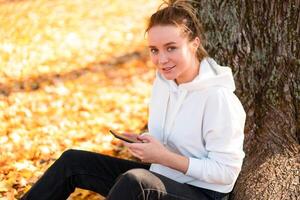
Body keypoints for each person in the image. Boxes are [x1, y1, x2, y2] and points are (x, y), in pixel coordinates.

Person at [21, 0, 246, 199]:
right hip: (162, 176)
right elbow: (175, 140)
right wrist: (145, 142)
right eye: (154, 50)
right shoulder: (164, 83)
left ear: (194, 43)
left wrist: (163, 157)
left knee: (136, 183)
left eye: (171, 48)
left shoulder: (218, 98)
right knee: (73, 162)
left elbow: (225, 172)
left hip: (202, 193)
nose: (162, 59)